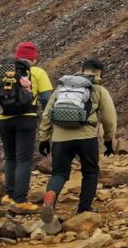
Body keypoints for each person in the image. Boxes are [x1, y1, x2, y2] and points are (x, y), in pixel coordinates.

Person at [38, 58, 117, 222]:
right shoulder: (98, 89)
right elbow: (109, 118)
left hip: (60, 138)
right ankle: (84, 208)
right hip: (86, 137)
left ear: (81, 69)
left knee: (59, 173)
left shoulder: (61, 87)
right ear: (99, 72)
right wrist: (109, 140)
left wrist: (44, 138)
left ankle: (51, 200)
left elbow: (47, 114)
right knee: (90, 171)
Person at [0, 41, 53, 212]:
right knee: (24, 159)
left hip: (3, 119)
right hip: (26, 119)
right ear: (34, 58)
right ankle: (20, 199)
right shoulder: (37, 72)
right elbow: (47, 99)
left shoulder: (0, 71)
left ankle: (10, 194)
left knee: (10, 157)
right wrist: (48, 121)